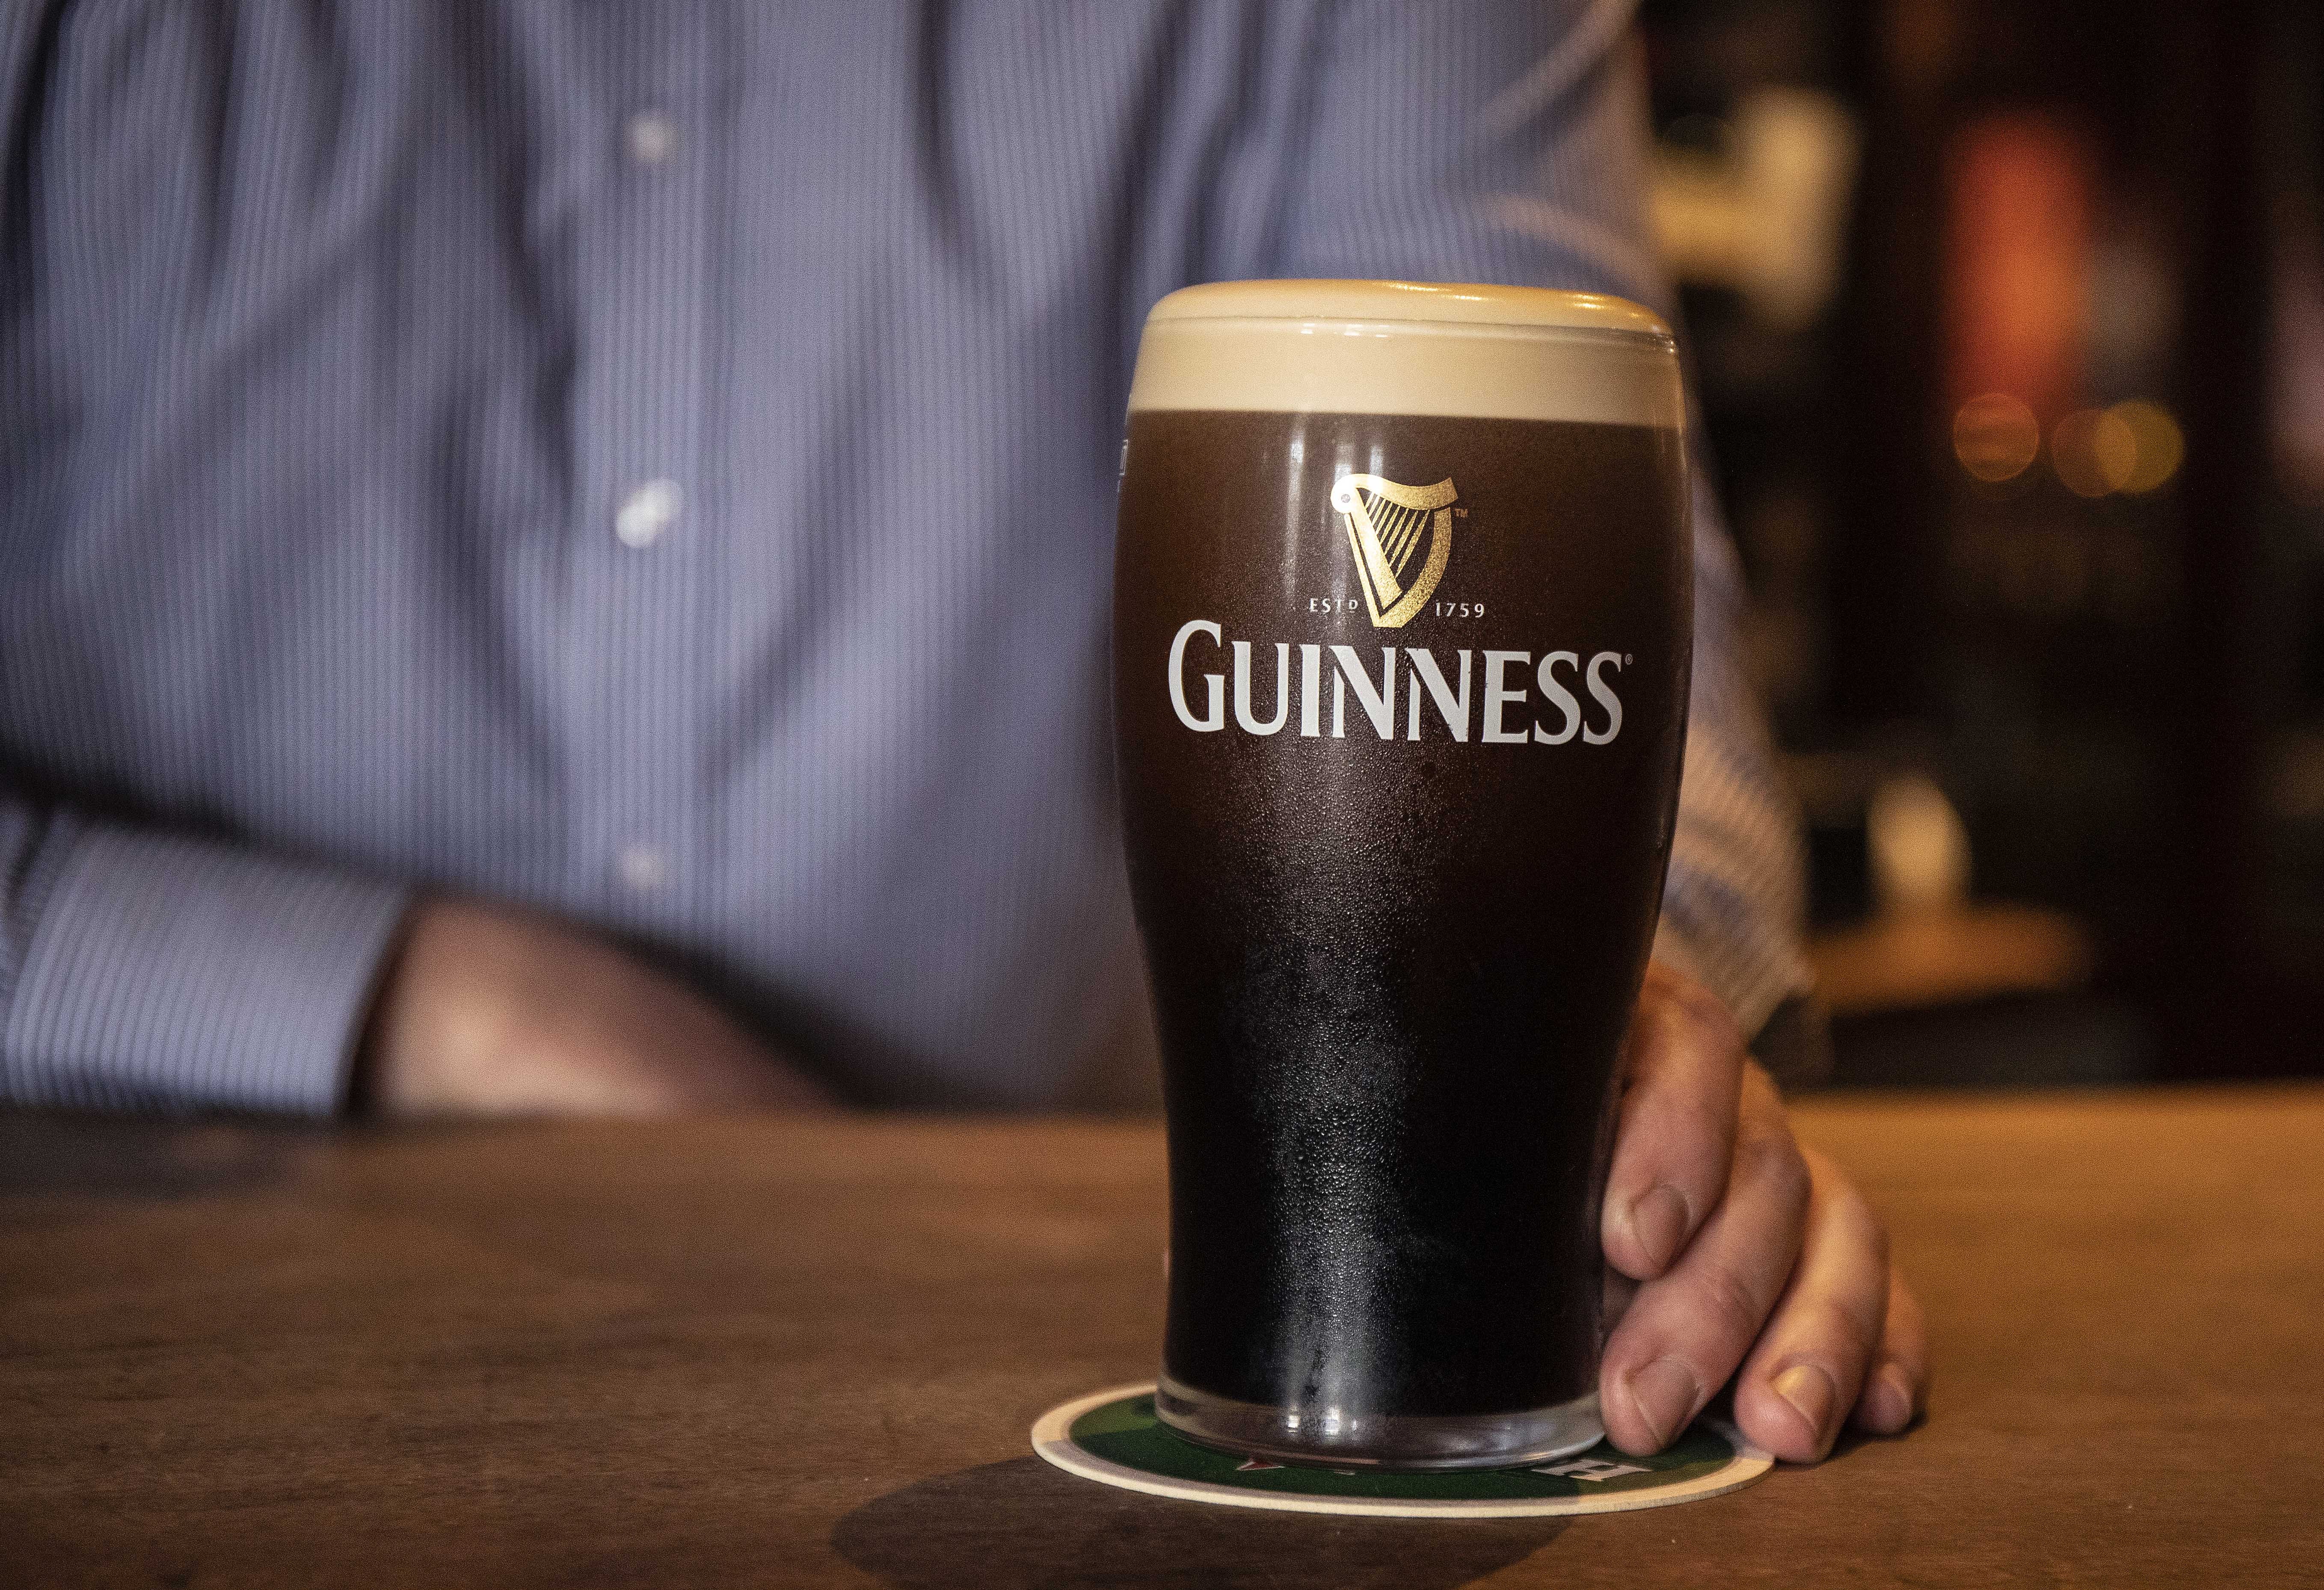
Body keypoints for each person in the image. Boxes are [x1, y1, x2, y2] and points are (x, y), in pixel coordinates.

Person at [0, 1, 1924, 1463]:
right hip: (119, 1327)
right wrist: (448, 1005)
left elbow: (1592, 579)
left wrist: (1634, 1050)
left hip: (1051, 1376)